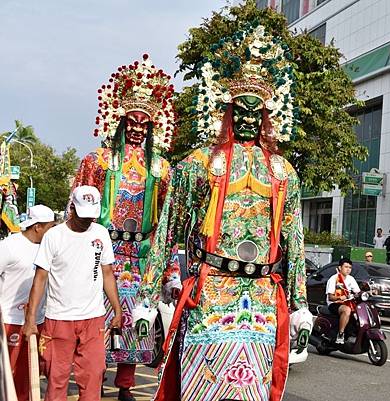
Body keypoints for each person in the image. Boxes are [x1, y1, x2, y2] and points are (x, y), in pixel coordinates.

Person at [132, 25, 310, 401]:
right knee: (203, 388)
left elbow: (294, 241)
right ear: (226, 111)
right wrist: (146, 298)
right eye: (239, 111)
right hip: (211, 296)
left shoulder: (283, 172)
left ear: (267, 115)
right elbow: (167, 231)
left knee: (252, 391)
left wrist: (301, 305)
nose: (247, 120)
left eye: (255, 112)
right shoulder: (199, 165)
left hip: (261, 300)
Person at [71, 54, 174, 401]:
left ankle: (126, 385)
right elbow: (79, 205)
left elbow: (166, 217)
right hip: (101, 251)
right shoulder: (97, 161)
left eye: (145, 123)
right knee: (95, 318)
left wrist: (167, 262)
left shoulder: (160, 168)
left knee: (133, 321)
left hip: (139, 254)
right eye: (132, 120)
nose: (137, 128)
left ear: (152, 128)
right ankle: (94, 376)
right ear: (120, 119)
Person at [22, 186, 122, 401]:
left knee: (94, 376)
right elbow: (40, 279)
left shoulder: (101, 233)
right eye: (83, 214)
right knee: (57, 379)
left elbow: (107, 273)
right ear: (72, 208)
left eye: (91, 215)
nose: (87, 220)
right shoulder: (54, 236)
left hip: (93, 318)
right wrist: (30, 320)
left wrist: (117, 309)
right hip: (59, 319)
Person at [0, 205, 55, 401]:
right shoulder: (10, 245)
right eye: (50, 226)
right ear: (38, 227)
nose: (53, 230)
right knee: (8, 374)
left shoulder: (49, 248)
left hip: (36, 321)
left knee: (28, 375)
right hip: (9, 320)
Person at [326, 258, 361, 344]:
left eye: (350, 267)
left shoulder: (351, 279)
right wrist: (340, 298)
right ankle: (340, 334)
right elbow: (330, 297)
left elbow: (358, 292)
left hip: (348, 302)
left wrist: (370, 292)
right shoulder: (333, 279)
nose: (348, 269)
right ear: (340, 267)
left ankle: (354, 333)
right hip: (334, 304)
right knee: (347, 310)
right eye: (346, 267)